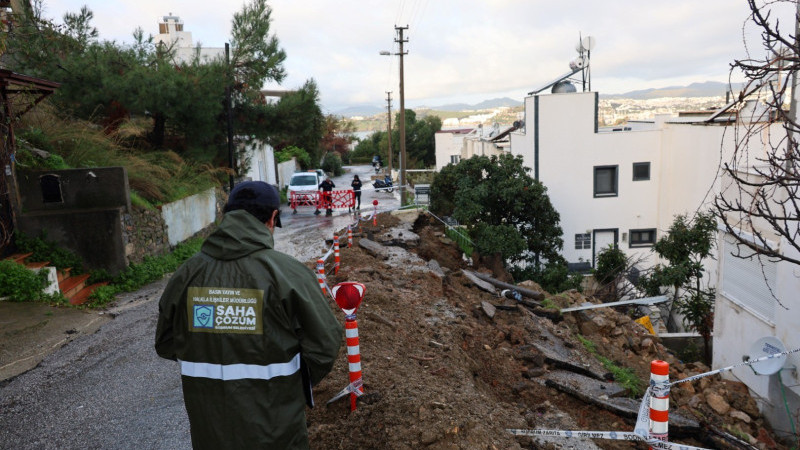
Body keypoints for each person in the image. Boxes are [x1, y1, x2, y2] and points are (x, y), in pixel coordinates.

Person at [155, 181, 342, 450]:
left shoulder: (187, 274)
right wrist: (290, 383)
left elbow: (165, 343)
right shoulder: (289, 273)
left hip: (210, 432)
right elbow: (325, 345)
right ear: (272, 218)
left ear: (226, 216)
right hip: (277, 430)